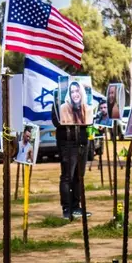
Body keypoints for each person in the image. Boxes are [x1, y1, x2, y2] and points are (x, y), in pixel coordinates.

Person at [52, 90, 90, 219]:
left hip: (82, 143)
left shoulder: (83, 105)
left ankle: (76, 206)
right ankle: (67, 208)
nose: (75, 94)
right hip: (68, 143)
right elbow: (56, 121)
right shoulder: (59, 103)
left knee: (79, 176)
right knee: (67, 176)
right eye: (71, 91)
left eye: (77, 90)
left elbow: (89, 120)